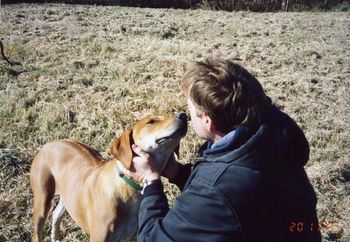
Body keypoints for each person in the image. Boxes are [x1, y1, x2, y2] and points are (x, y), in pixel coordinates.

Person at [129, 57, 321, 242]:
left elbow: (153, 238)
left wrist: (151, 182)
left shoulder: (216, 192)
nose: (187, 116)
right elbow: (237, 199)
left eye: (191, 110)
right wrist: (177, 173)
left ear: (207, 120)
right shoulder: (271, 133)